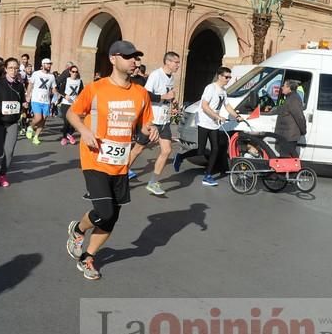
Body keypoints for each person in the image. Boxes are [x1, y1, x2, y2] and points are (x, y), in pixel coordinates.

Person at [65, 40, 158, 280]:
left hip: (120, 162)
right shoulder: (96, 88)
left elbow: (146, 124)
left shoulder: (141, 93)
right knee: (104, 211)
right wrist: (84, 131)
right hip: (94, 158)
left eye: (136, 57)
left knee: (112, 217)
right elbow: (72, 113)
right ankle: (78, 229)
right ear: (113, 59)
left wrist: (152, 130)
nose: (134, 62)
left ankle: (88, 258)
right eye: (128, 57)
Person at [173, 66, 243, 186]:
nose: (228, 79)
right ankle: (181, 156)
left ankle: (208, 176)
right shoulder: (211, 88)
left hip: (214, 125)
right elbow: (204, 106)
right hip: (204, 122)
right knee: (201, 151)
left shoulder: (223, 91)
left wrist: (236, 116)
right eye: (226, 77)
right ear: (219, 76)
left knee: (215, 149)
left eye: (229, 77)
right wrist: (216, 116)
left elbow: (227, 106)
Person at [126, 51, 180, 195]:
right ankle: (121, 175)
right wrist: (164, 96)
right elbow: (146, 95)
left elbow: (168, 93)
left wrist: (172, 101)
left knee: (167, 150)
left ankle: (152, 182)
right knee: (138, 149)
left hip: (165, 121)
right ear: (167, 62)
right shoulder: (156, 75)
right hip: (152, 120)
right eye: (176, 62)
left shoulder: (171, 77)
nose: (178, 65)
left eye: (178, 63)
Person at [0, 58, 27, 187]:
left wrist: (24, 104)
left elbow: (22, 100)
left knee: (9, 151)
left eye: (16, 68)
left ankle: (2, 176)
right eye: (11, 68)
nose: (14, 70)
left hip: (13, 122)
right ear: (6, 69)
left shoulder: (19, 85)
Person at [265, 79, 307, 157]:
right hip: (286, 135)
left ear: (289, 88)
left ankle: (293, 169)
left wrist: (303, 130)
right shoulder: (289, 98)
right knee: (286, 157)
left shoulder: (294, 99)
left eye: (284, 86)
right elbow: (283, 109)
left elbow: (299, 116)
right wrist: (271, 110)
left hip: (289, 136)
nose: (282, 87)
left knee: (287, 158)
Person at [25, 57, 57, 145]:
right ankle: (30, 127)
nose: (49, 66)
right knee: (38, 118)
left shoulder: (52, 76)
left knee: (43, 120)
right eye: (47, 64)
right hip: (36, 99)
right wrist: (28, 95)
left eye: (50, 64)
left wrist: (56, 95)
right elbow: (30, 84)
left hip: (46, 101)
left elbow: (53, 88)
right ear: (43, 65)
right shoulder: (36, 74)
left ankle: (36, 137)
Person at [56, 64, 84, 145]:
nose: (75, 73)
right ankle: (64, 138)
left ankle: (69, 134)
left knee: (74, 122)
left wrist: (79, 99)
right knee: (66, 121)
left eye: (76, 72)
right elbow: (60, 90)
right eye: (73, 71)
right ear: (70, 72)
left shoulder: (79, 81)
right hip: (66, 103)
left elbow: (82, 92)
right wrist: (65, 96)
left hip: (75, 104)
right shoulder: (66, 80)